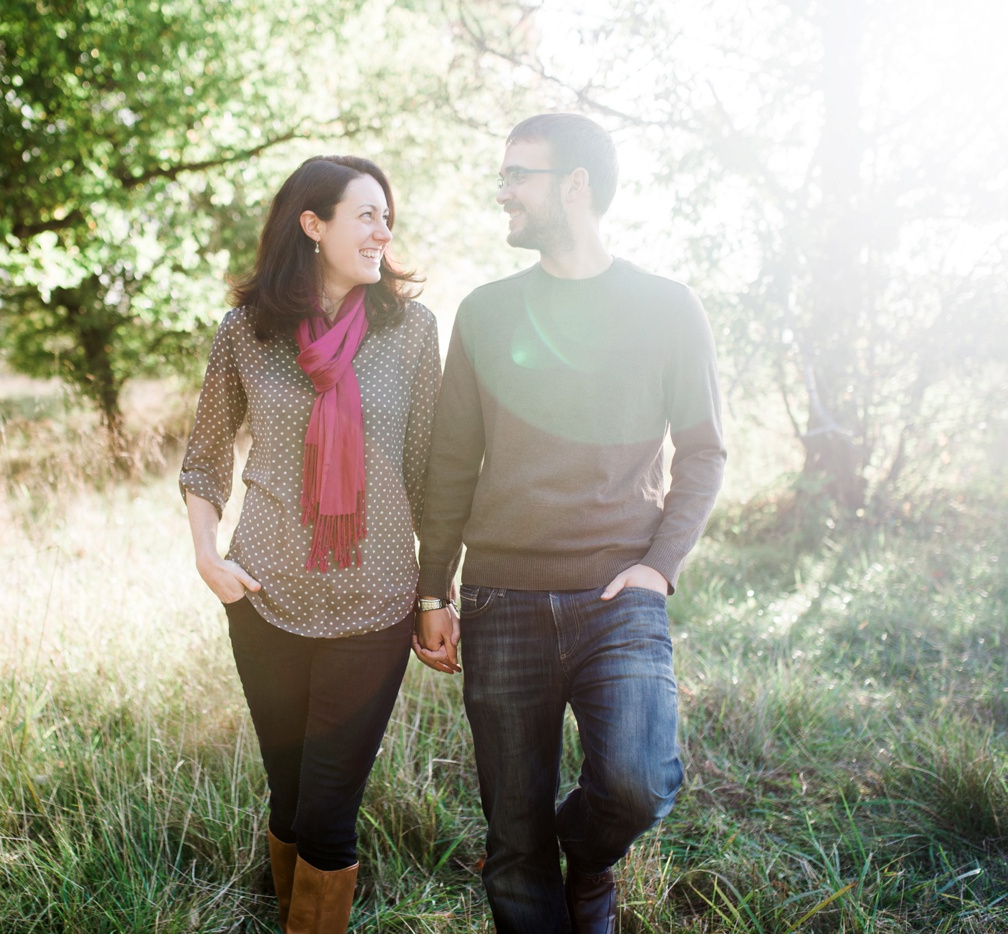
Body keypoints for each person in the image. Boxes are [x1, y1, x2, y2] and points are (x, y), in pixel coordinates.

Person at [412, 113, 726, 933]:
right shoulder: (485, 312)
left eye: (519, 174)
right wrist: (432, 591)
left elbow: (704, 453)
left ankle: (586, 860)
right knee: (514, 848)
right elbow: (451, 463)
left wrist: (659, 566)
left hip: (618, 597)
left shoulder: (667, 307)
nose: (502, 190)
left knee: (637, 784)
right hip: (499, 599)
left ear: (576, 186)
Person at [180, 155, 440, 933]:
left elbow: (431, 475)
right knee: (289, 796)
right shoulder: (247, 333)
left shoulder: (412, 332)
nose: (381, 230)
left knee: (328, 811)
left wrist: (438, 591)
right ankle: (281, 908)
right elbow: (205, 455)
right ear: (313, 223)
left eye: (386, 217)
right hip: (265, 599)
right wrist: (208, 558)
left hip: (377, 604)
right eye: (365, 214)